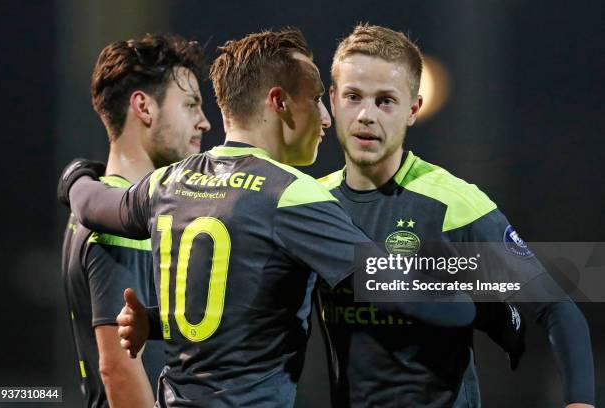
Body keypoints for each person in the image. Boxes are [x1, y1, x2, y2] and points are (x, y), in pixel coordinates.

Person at [58, 28, 476, 407]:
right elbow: (415, 298)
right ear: (278, 102)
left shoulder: (168, 182)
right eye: (315, 99)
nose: (327, 118)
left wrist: (74, 176)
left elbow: (93, 206)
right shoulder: (292, 195)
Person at [316, 23, 595, 408]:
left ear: (413, 109)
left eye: (385, 101)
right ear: (332, 100)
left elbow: (556, 307)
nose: (366, 115)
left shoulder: (455, 204)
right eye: (353, 97)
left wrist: (579, 402)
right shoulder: (312, 204)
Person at [61, 33, 211, 408]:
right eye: (191, 105)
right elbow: (119, 370)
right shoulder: (121, 226)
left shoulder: (98, 201)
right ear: (143, 107)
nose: (204, 122)